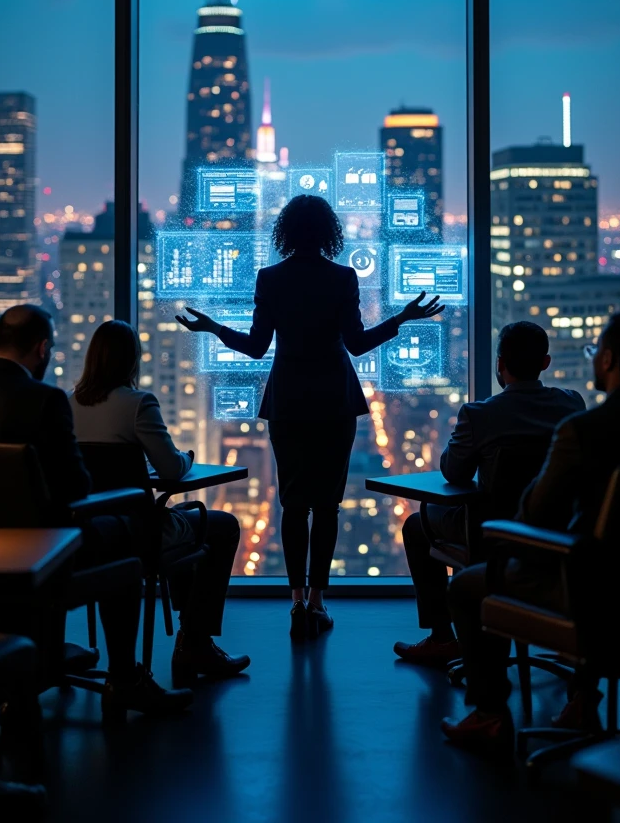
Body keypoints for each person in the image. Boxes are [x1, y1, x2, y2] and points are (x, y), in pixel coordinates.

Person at [176, 194, 444, 638]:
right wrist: (403, 318)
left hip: (288, 402)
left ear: (285, 232)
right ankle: (318, 601)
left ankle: (296, 602)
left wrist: (214, 328)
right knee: (328, 505)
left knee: (293, 503)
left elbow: (257, 347)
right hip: (334, 401)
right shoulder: (343, 278)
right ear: (328, 233)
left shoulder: (271, 278)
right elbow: (356, 344)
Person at [0, 304, 193, 720]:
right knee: (125, 554)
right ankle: (124, 677)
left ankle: (38, 662)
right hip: (46, 549)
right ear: (42, 348)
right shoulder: (45, 401)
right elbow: (76, 488)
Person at [442, 312, 620, 751]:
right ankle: (582, 697)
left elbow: (534, 517)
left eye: (596, 353)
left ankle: (489, 713)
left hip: (586, 586)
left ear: (610, 359)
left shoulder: (583, 430)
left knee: (465, 587)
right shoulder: (577, 408)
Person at [394, 321, 584, 668]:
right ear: (545, 363)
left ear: (500, 364)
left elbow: (454, 473)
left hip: (492, 537)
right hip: (559, 536)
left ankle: (442, 638)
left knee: (416, 524)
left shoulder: (480, 414)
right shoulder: (572, 405)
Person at [70, 319, 250, 683]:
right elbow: (170, 469)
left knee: (187, 522)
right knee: (221, 526)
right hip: (138, 532)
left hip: (89, 532)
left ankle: (188, 640)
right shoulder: (138, 404)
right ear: (131, 361)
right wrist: (187, 456)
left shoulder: (68, 405)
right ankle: (195, 642)